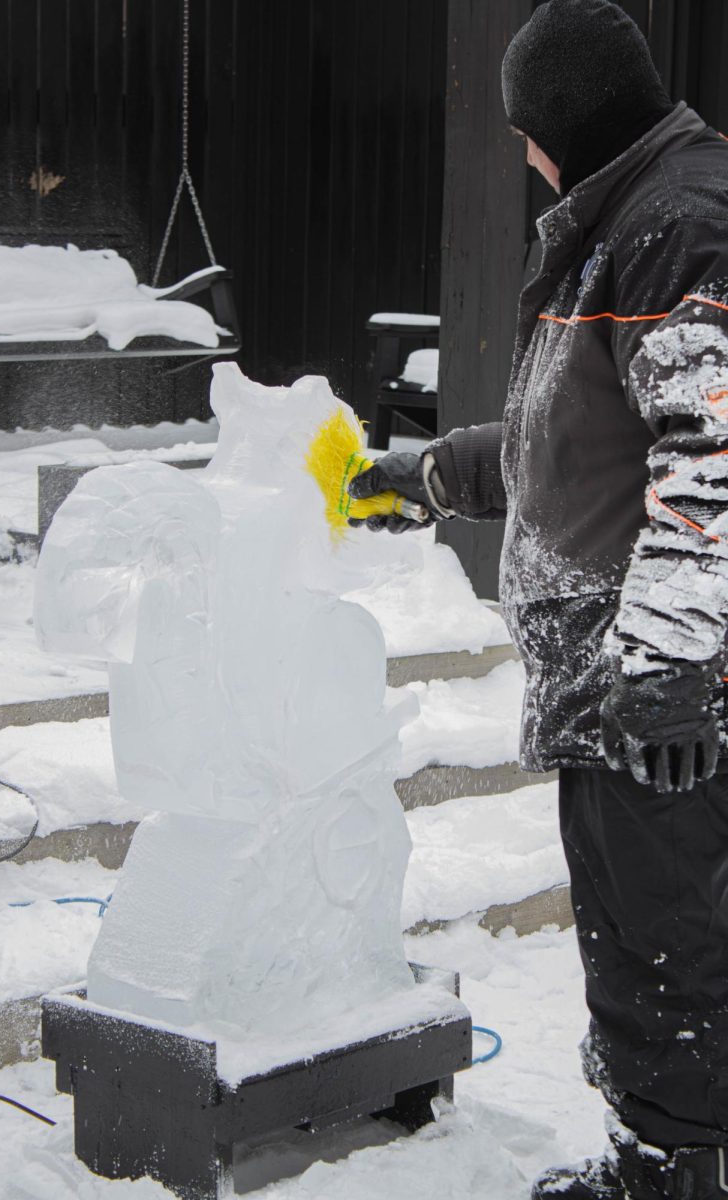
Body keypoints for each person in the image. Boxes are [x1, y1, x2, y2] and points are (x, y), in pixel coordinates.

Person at [349, 1, 728, 1196]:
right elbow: (574, 438)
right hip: (623, 677)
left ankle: (670, 1173)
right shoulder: (628, 218)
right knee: (643, 938)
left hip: (660, 694)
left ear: (568, 119)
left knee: (665, 948)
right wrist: (427, 472)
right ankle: (659, 1153)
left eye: (523, 130)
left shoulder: (675, 227)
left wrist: (665, 665)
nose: (519, 154)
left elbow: (707, 461)